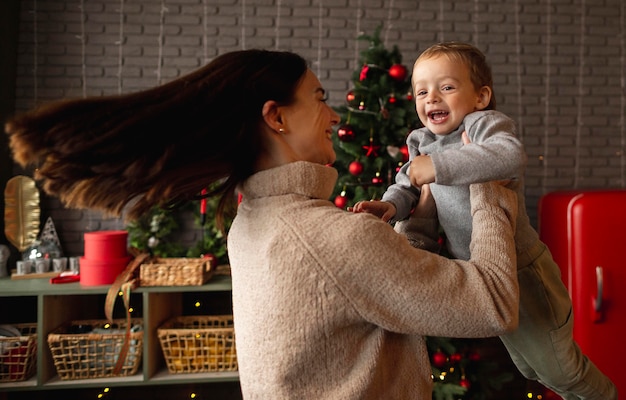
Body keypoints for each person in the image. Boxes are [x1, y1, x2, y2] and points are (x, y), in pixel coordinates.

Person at [6, 49, 520, 399]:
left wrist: (420, 209)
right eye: (319, 98)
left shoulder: (252, 221)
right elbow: (494, 305)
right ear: (276, 117)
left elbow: (388, 283)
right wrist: (482, 176)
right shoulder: (334, 236)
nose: (335, 116)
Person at [351, 42, 618, 400]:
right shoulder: (422, 140)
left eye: (446, 87)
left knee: (563, 370)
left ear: (480, 97)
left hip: (523, 272)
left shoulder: (482, 125)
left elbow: (508, 156)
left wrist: (439, 167)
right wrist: (389, 206)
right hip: (487, 274)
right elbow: (408, 182)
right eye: (421, 91)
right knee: (530, 367)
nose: (432, 98)